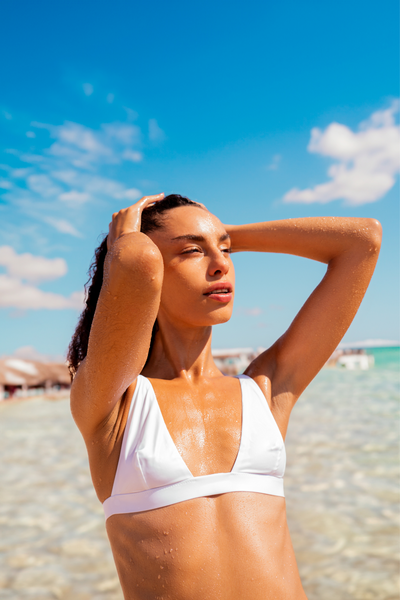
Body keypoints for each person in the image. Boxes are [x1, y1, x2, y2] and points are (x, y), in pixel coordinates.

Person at [68, 193, 381, 600]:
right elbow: (137, 262)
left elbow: (362, 241)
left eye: (227, 250)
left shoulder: (265, 391)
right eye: (193, 251)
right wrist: (125, 242)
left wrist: (223, 236)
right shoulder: (114, 405)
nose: (220, 264)